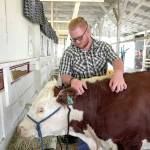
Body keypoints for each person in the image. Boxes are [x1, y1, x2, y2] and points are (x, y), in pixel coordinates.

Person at [59, 17, 127, 149]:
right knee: (85, 138)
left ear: (88, 31)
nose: (77, 42)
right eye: (73, 39)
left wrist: (118, 73)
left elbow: (116, 61)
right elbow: (64, 75)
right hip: (82, 99)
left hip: (102, 99)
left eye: (80, 37)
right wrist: (72, 80)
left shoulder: (103, 47)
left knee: (106, 131)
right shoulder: (69, 53)